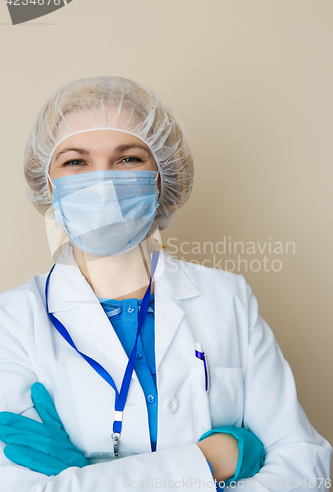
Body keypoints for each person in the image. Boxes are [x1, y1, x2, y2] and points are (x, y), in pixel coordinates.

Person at [0, 76, 330, 492]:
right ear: (47, 184)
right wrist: (209, 462)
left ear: (163, 177)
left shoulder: (227, 298)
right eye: (75, 162)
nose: (103, 184)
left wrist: (87, 479)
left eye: (128, 159)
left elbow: (306, 463)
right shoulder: (11, 321)